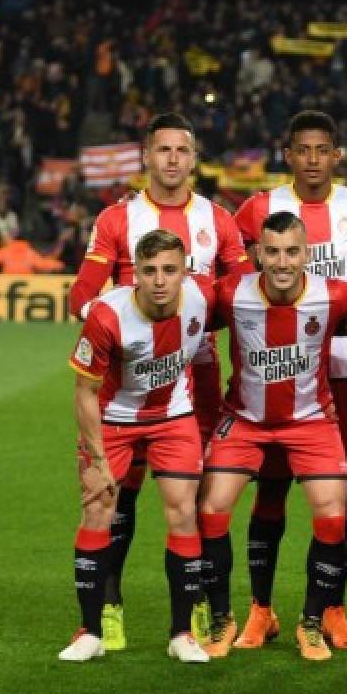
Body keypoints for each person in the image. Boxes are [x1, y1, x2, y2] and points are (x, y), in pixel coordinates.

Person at [66, 112, 250, 651]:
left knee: (200, 502)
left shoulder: (218, 219)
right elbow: (84, 289)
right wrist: (107, 325)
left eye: (182, 151)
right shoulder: (118, 218)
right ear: (147, 156)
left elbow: (235, 294)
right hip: (126, 374)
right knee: (115, 498)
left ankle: (208, 615)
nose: (172, 159)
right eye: (162, 150)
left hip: (198, 376)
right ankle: (108, 607)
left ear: (194, 159)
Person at [231, 110, 347, 652]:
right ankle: (261, 610)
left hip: (342, 372)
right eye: (301, 150)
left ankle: (331, 609)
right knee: (272, 493)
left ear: (336, 155)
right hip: (275, 376)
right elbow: (234, 268)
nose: (312, 159)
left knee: (337, 499)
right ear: (288, 154)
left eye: (321, 150)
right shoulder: (258, 208)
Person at [196, 212, 347, 662]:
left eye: (292, 251)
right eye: (272, 252)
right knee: (210, 509)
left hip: (310, 420)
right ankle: (223, 617)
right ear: (257, 255)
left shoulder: (336, 296)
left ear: (307, 253)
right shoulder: (231, 294)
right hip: (245, 420)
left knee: (332, 511)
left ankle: (310, 622)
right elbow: (182, 317)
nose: (282, 262)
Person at [59, 229, 212, 664]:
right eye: (150, 271)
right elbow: (84, 392)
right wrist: (98, 460)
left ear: (185, 271)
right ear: (135, 275)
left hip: (173, 418)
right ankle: (90, 632)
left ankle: (182, 635)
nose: (160, 280)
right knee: (97, 508)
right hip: (113, 420)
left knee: (183, 512)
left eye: (169, 270)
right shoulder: (107, 316)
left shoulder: (200, 299)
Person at [0, 230, 66, 274]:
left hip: (7, 285)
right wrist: (60, 265)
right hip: (27, 285)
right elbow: (43, 264)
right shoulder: (30, 252)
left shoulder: (6, 250)